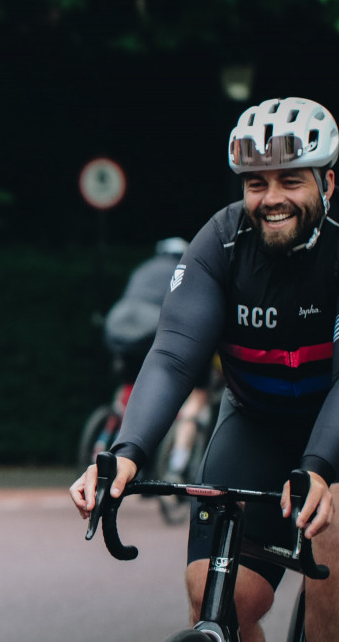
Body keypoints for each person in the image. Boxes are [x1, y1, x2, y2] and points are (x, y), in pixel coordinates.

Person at [71, 96, 339, 641]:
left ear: (327, 185)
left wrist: (318, 466)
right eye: (255, 183)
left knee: (331, 573)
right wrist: (127, 453)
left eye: (291, 180)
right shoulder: (222, 240)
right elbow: (173, 354)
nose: (271, 199)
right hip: (257, 423)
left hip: (334, 430)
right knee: (213, 599)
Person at [102, 236, 212, 480]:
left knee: (131, 382)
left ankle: (113, 428)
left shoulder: (144, 268)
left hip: (118, 325)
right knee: (192, 391)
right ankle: (177, 463)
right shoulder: (185, 269)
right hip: (152, 326)